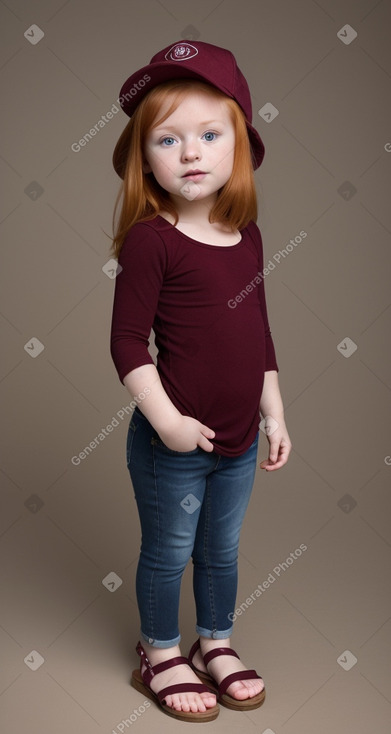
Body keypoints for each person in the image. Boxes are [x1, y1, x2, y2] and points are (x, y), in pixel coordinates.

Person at [110, 39, 292, 723]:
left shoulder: (244, 235)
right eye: (167, 139)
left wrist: (274, 411)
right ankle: (158, 651)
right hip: (174, 443)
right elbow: (126, 342)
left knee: (221, 547)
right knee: (169, 551)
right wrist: (167, 423)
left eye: (209, 134)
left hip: (240, 439)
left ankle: (213, 641)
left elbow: (260, 334)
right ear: (144, 157)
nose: (190, 153)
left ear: (238, 145)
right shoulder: (151, 240)